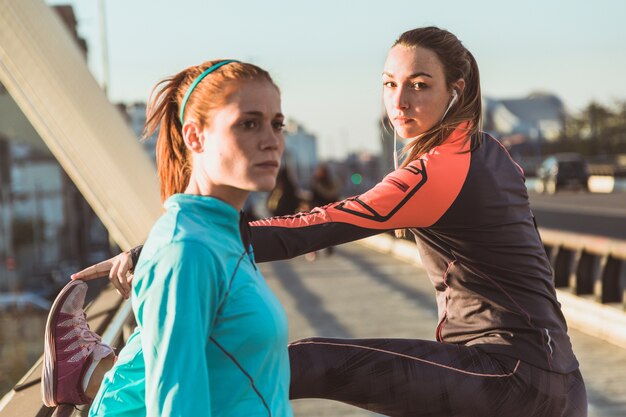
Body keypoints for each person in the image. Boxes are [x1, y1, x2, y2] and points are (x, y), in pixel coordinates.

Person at [49, 27, 587, 416]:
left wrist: (158, 251)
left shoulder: (439, 172)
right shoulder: (488, 150)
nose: (399, 101)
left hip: (510, 378)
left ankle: (96, 379)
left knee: (310, 360)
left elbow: (317, 225)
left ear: (457, 89)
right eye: (389, 84)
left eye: (420, 84)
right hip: (555, 378)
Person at [41, 59, 293, 417]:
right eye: (249, 124)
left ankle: (91, 374)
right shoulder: (187, 250)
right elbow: (178, 406)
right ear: (195, 136)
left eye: (277, 124)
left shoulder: (223, 236)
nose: (271, 141)